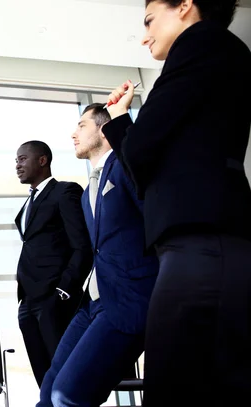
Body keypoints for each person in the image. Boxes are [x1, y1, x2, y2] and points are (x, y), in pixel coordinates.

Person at [102, 1, 251, 405]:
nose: (145, 35)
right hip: (210, 243)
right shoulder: (219, 53)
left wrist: (118, 123)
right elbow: (143, 169)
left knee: (173, 385)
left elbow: (141, 152)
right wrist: (120, 122)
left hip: (201, 245)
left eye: (149, 20)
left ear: (185, 6)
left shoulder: (199, 46)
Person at [37, 103, 159, 407]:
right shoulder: (88, 189)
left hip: (126, 300)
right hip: (91, 303)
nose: (73, 134)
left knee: (68, 394)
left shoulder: (124, 166)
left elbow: (153, 215)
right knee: (48, 391)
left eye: (81, 126)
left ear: (104, 130)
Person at [14, 140, 93, 387]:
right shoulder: (29, 203)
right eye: (16, 161)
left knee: (68, 379)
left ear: (42, 160)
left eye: (22, 159)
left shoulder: (65, 192)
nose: (17, 165)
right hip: (28, 302)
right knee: (45, 379)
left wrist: (64, 291)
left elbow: (82, 245)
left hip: (54, 299)